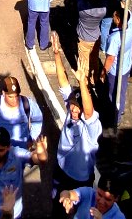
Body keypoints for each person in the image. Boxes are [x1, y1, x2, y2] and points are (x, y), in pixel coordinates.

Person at [50, 33, 101, 207]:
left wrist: (82, 82)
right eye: (72, 105)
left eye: (77, 107)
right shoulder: (70, 107)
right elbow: (63, 82)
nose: (73, 109)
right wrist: (57, 55)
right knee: (57, 207)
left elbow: (88, 110)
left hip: (80, 180)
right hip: (61, 170)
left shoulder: (93, 126)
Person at [0, 125, 48, 219]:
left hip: (13, 212)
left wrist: (41, 152)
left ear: (8, 147)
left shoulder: (17, 154)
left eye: (0, 150)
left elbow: (40, 160)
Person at [0, 76, 44, 149]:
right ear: (3, 93)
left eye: (16, 96)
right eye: (10, 97)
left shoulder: (28, 103)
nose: (15, 100)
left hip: (21, 149)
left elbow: (38, 120)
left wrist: (32, 138)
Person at [102, 6, 132, 124]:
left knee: (113, 93)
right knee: (122, 89)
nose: (113, 17)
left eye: (115, 16)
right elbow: (130, 17)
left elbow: (110, 58)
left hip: (115, 70)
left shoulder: (115, 38)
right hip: (127, 66)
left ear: (118, 20)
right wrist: (124, 7)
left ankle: (115, 116)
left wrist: (103, 71)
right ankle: (120, 110)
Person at [57, 173, 127, 219]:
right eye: (99, 194)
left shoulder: (118, 216)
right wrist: (66, 198)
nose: (101, 202)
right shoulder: (89, 193)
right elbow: (67, 193)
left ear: (116, 198)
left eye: (107, 199)